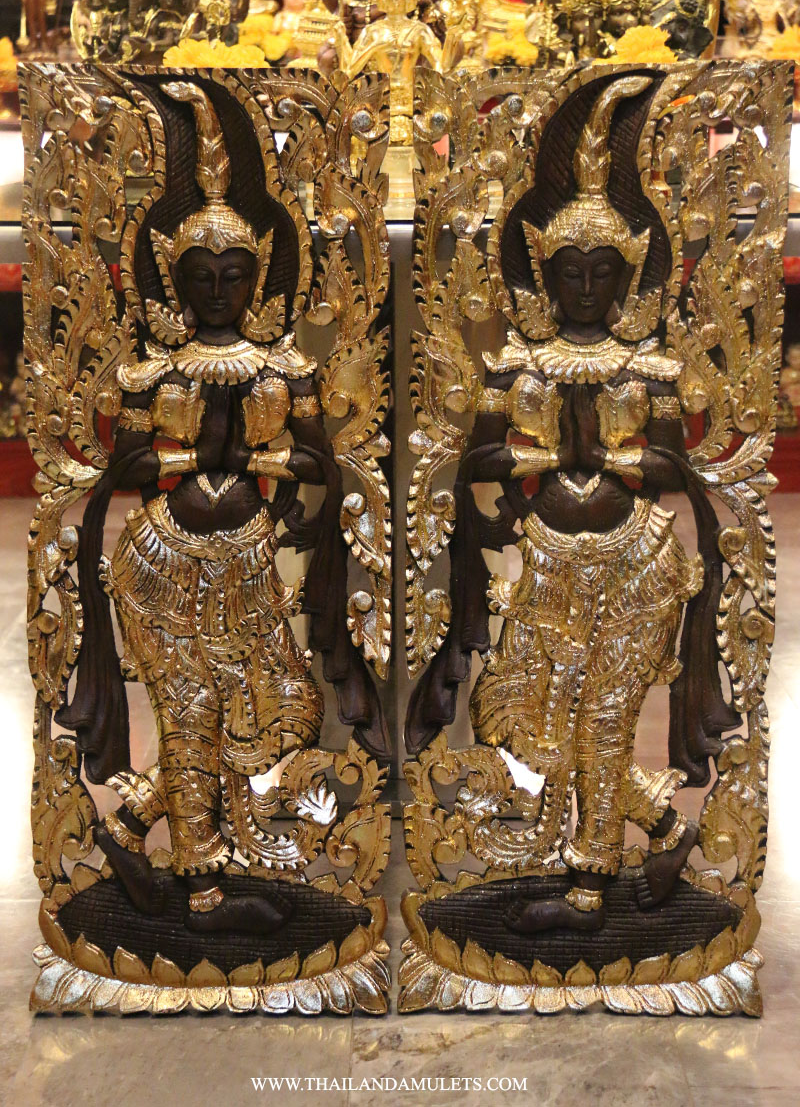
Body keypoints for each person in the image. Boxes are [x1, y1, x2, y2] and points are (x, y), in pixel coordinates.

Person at [407, 76, 737, 933]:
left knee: (604, 720)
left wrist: (613, 455)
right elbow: (477, 457)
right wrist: (551, 453)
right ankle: (662, 826)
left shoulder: (648, 367)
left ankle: (589, 887)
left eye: (601, 274)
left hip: (637, 561)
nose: (586, 288)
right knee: (514, 714)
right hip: (547, 564)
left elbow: (673, 466)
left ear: (626, 278)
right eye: (570, 273)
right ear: (543, 275)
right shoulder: (518, 362)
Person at [60, 82, 387, 934]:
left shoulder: (283, 367)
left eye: (232, 276)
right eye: (199, 278)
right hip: (161, 558)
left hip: (245, 555)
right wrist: (211, 456)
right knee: (192, 711)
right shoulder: (156, 370)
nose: (216, 291)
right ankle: (203, 890)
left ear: (260, 275)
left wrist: (254, 460)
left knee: (285, 710)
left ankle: (133, 822)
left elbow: (318, 458)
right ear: (174, 279)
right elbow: (129, 463)